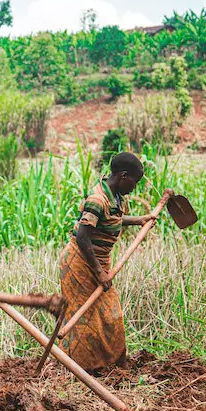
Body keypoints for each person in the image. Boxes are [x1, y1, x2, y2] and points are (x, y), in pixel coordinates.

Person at [59, 152, 155, 372]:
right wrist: (99, 273)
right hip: (80, 264)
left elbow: (113, 221)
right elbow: (83, 237)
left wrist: (140, 220)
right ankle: (76, 370)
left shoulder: (116, 196)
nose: (135, 187)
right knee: (82, 318)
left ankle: (109, 367)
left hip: (98, 262)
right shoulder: (97, 199)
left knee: (111, 315)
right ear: (123, 176)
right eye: (134, 181)